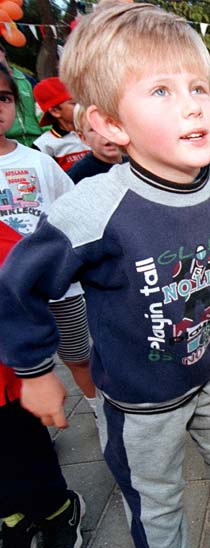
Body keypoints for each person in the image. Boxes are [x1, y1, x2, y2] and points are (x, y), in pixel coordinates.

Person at [0, 4, 210, 547]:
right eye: (161, 92)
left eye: (198, 89)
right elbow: (18, 283)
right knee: (155, 501)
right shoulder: (94, 207)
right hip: (138, 401)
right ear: (111, 124)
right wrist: (35, 371)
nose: (192, 107)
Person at [0, 65, 97, 418]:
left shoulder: (37, 161)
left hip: (61, 288)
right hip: (8, 293)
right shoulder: (47, 144)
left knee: (79, 356)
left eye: (5, 97)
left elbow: (71, 208)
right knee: (19, 363)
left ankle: (98, 409)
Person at [0, 221, 86, 548]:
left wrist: (35, 370)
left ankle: (57, 509)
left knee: (22, 448)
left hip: (6, 382)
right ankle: (13, 517)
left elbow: (16, 267)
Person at [32, 77, 90, 172]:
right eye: (74, 103)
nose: (82, 106)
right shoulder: (45, 145)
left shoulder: (98, 132)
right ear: (55, 111)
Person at [67, 103, 125, 184]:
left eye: (110, 123)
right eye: (94, 129)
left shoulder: (136, 160)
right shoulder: (79, 174)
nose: (104, 133)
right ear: (83, 138)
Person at [0, 42, 44, 147]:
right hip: (10, 142)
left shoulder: (25, 79)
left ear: (3, 52)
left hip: (38, 140)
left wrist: (48, 131)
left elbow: (41, 106)